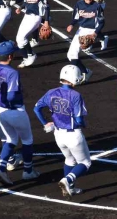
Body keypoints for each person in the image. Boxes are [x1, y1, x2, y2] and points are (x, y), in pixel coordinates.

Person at [34, 65, 91, 196]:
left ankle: (70, 187)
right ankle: (67, 180)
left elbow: (36, 109)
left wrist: (45, 123)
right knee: (85, 163)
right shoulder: (75, 95)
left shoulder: (51, 92)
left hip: (58, 135)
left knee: (69, 160)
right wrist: (84, 124)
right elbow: (79, 119)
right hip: (73, 135)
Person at [0, 41, 39, 185]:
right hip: (15, 111)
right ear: (10, 56)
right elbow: (11, 95)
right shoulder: (12, 73)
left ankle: (2, 168)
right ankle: (28, 171)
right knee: (27, 140)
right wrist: (7, 102)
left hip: (0, 111)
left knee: (10, 139)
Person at [66, 0, 104, 83]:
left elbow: (102, 22)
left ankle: (77, 75)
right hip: (81, 30)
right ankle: (86, 72)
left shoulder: (97, 6)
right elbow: (76, 17)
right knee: (71, 55)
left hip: (91, 31)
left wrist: (95, 33)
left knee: (73, 54)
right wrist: (71, 24)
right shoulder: (79, 4)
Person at [16, 0, 50, 68]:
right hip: (27, 16)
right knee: (18, 39)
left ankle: (31, 55)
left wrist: (46, 21)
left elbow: (47, 8)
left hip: (36, 18)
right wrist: (20, 8)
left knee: (22, 37)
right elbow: (26, 2)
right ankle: (26, 58)